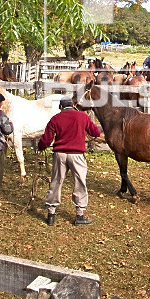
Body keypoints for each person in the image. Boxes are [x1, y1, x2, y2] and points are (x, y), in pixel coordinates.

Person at [38, 94, 102, 226]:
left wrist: (41, 147)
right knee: (80, 183)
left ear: (61, 107)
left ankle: (51, 213)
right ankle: (79, 214)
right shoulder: (83, 116)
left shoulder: (55, 118)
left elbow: (46, 139)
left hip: (60, 154)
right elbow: (96, 132)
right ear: (72, 106)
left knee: (56, 182)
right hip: (77, 155)